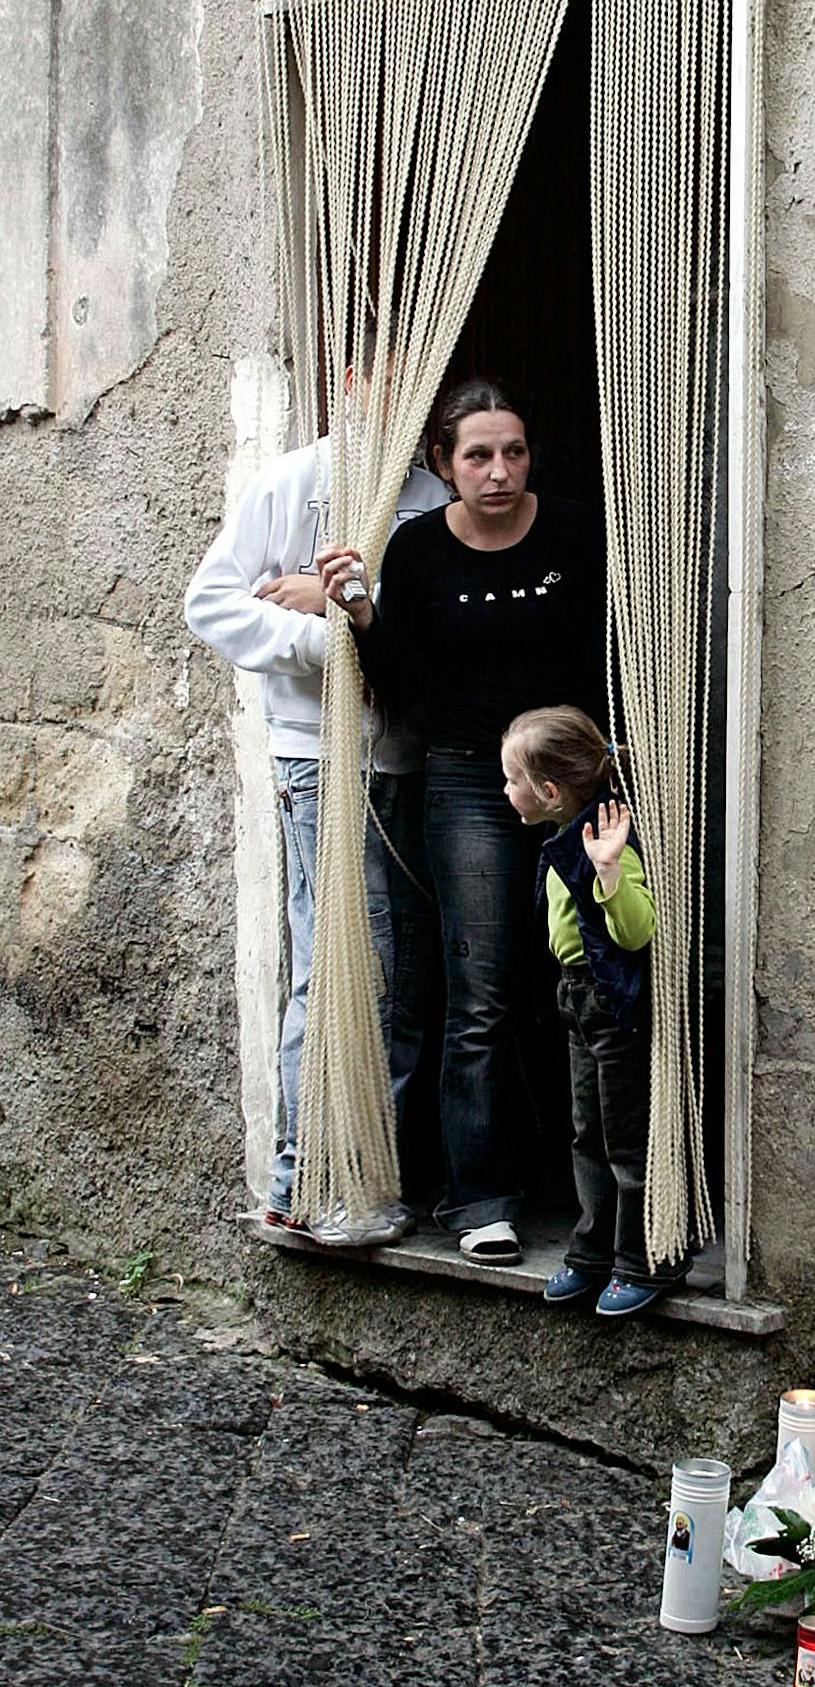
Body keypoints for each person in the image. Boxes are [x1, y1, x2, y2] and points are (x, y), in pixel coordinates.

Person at [318, 379, 604, 1263]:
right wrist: (364, 613)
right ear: (442, 466)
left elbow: (617, 648)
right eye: (477, 455)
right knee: (480, 996)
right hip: (470, 785)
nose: (498, 470)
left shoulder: (574, 529)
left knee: (589, 984)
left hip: (573, 785)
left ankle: (605, 1196)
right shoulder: (417, 552)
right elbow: (402, 689)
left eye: (512, 451)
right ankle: (481, 1199)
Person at [184, 347, 447, 1244]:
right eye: (386, 379)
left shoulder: (431, 499)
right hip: (317, 757)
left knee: (404, 981)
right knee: (331, 971)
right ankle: (306, 1180)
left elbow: (431, 629)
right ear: (349, 384)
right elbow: (212, 603)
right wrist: (324, 636)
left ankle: (382, 1174)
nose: (400, 401)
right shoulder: (292, 481)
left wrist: (348, 610)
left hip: (413, 761)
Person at [500, 705, 687, 1317]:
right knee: (587, 1132)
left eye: (512, 780)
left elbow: (635, 933)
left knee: (625, 1139)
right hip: (576, 998)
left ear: (548, 791)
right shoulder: (564, 838)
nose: (506, 792)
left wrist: (609, 870)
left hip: (613, 1004)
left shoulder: (604, 843)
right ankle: (592, 1251)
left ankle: (644, 1258)